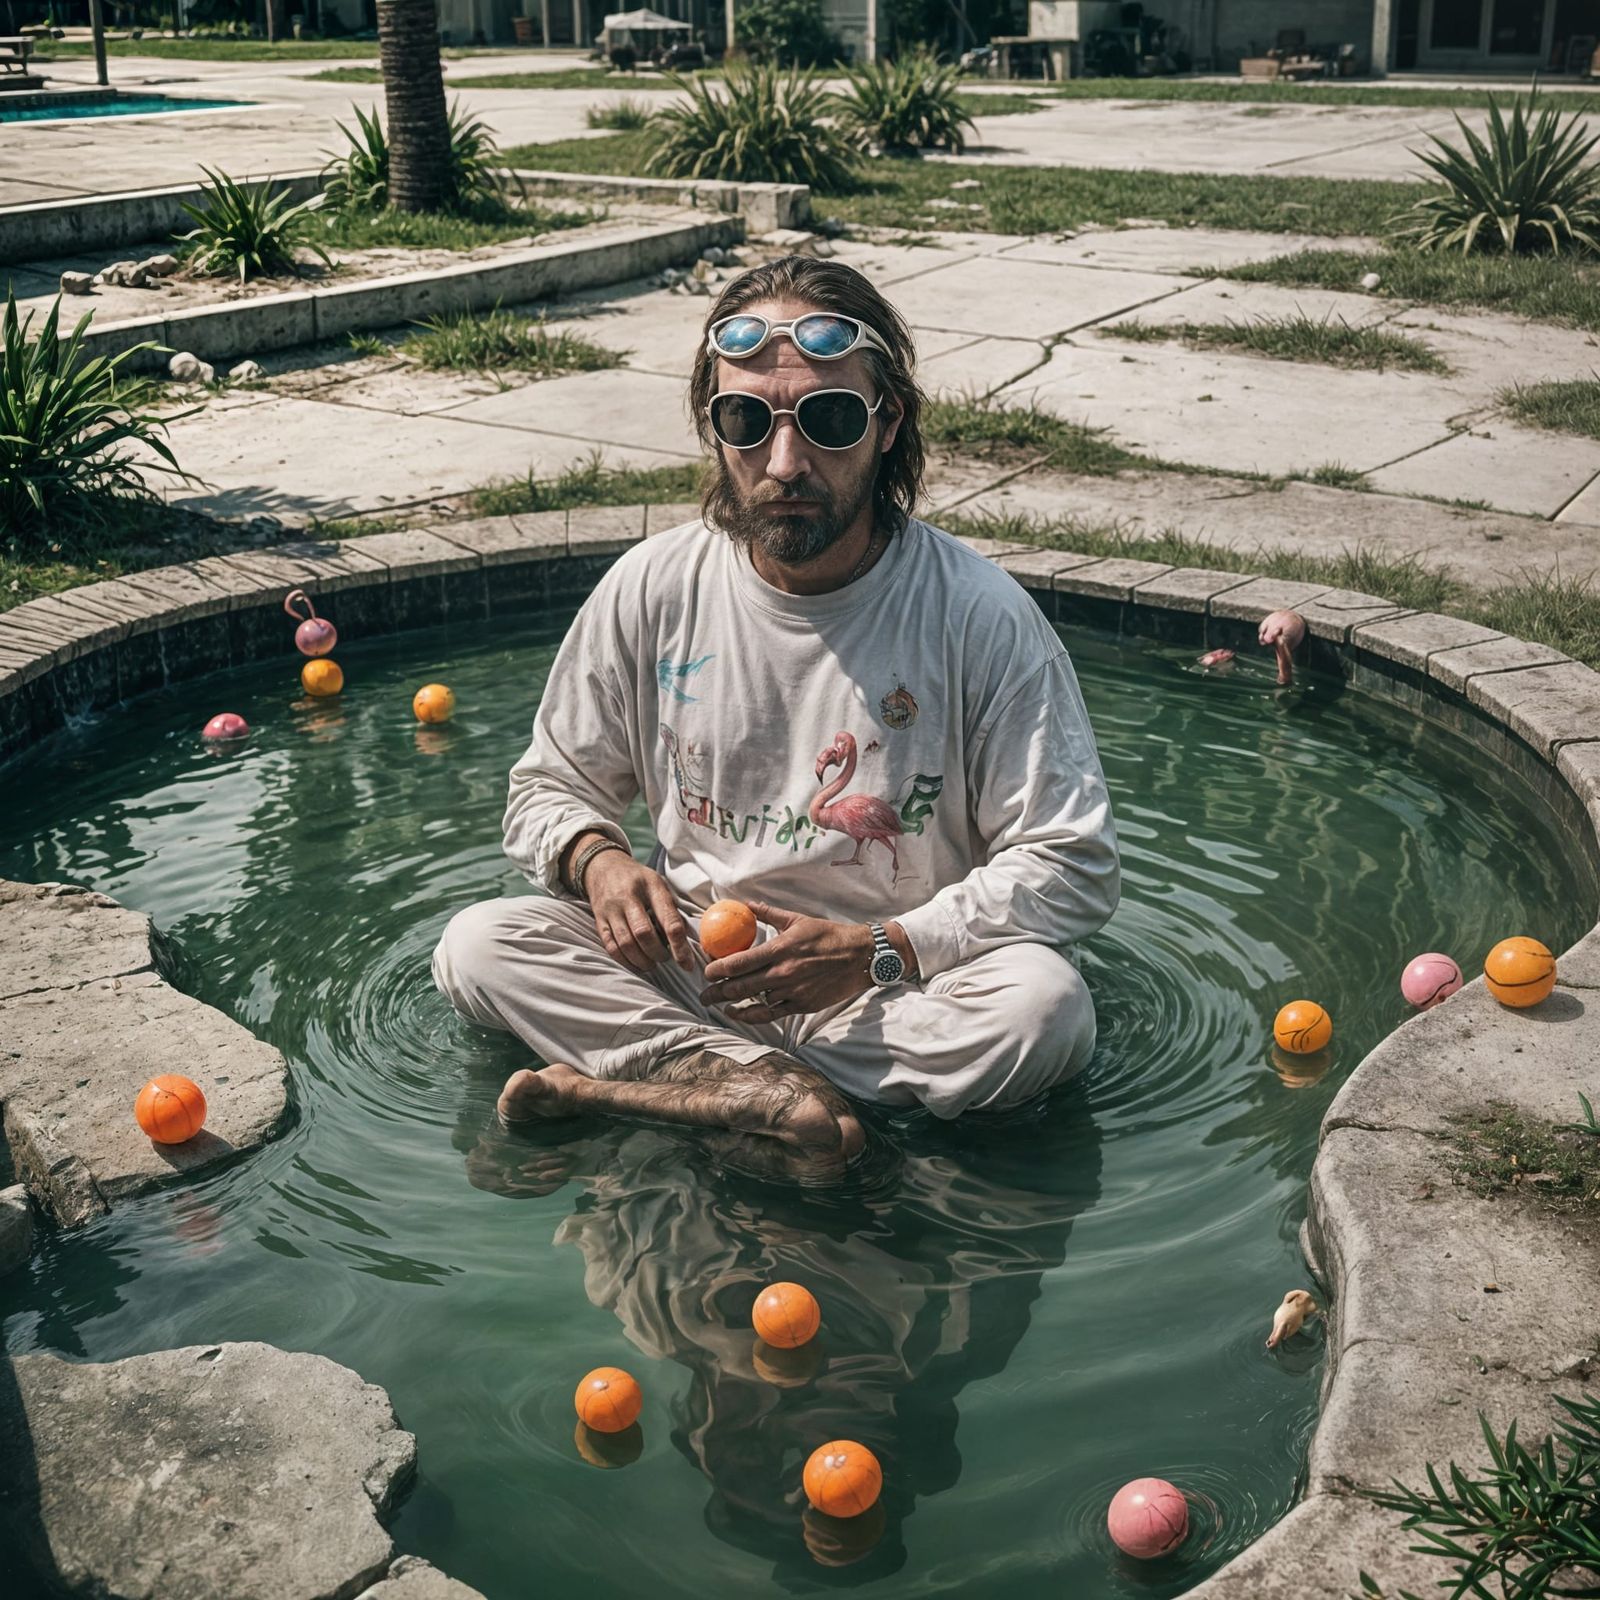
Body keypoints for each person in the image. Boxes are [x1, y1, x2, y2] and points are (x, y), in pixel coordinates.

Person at [432, 256, 1119, 1181]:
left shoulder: (978, 615)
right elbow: (548, 787)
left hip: (887, 988)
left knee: (1042, 1011)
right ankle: (770, 1096)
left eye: (829, 421)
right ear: (714, 429)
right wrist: (598, 862)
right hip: (697, 967)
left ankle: (680, 1087)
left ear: (887, 425)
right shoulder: (653, 586)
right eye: (747, 422)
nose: (785, 463)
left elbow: (1072, 864)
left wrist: (879, 949)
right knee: (479, 945)